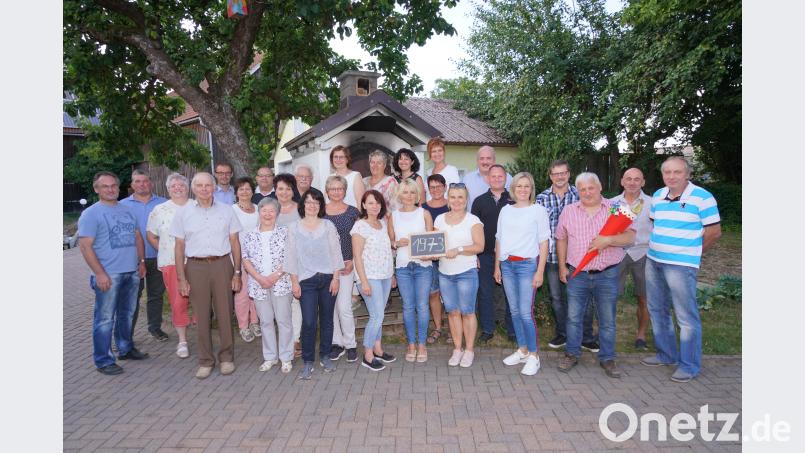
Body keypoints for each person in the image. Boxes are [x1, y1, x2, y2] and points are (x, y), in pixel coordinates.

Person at [641, 156, 721, 383]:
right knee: (658, 309)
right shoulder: (657, 196)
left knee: (685, 316)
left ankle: (689, 365)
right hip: (654, 260)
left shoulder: (703, 198)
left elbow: (714, 232)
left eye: (677, 172)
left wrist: (692, 253)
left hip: (681, 265)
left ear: (687, 174)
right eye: (667, 173)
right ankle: (666, 355)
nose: (672, 176)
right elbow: (656, 225)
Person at [556, 173, 636, 379]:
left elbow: (631, 236)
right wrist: (562, 267)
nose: (587, 192)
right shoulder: (569, 211)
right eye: (582, 189)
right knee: (573, 318)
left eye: (591, 188)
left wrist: (607, 240)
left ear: (600, 187)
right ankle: (572, 354)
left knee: (607, 319)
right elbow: (561, 239)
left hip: (607, 274)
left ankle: (607, 358)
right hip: (577, 273)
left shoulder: (616, 208)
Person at [171, 172, 242, 379]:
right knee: (201, 315)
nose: (204, 189)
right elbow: (179, 247)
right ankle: (205, 360)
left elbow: (235, 243)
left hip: (222, 264)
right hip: (195, 267)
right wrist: (181, 278)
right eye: (200, 185)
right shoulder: (183, 213)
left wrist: (237, 272)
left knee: (225, 313)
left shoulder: (227, 211)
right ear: (193, 188)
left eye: (207, 185)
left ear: (214, 187)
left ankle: (226, 358)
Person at [78, 171, 149, 375]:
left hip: (131, 271)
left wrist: (141, 262)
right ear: (96, 189)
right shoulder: (91, 214)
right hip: (109, 275)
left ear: (118, 188)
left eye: (113, 186)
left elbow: (137, 237)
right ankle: (103, 360)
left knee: (127, 314)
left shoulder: (127, 210)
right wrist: (100, 274)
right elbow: (85, 246)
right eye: (105, 186)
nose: (110, 189)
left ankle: (125, 348)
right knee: (105, 318)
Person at [536, 159, 597, 352]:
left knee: (583, 298)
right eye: (555, 174)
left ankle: (586, 336)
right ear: (550, 176)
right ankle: (562, 333)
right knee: (557, 298)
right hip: (552, 256)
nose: (559, 177)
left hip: (579, 258)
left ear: (569, 174)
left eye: (563, 173)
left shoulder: (581, 195)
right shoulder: (542, 198)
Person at [284, 188, 344, 380]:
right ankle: (308, 360)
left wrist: (336, 278)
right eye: (308, 202)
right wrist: (294, 282)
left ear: (320, 206)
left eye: (316, 203)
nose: (312, 206)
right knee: (309, 321)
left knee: (327, 320)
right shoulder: (293, 227)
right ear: (303, 205)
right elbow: (290, 256)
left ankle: (325, 356)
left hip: (327, 279)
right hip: (306, 280)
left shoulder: (328, 226)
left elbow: (336, 253)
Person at [494, 172, 550, 376]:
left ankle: (534, 356)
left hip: (527, 266)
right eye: (519, 186)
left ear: (531, 189)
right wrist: (497, 266)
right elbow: (499, 239)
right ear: (513, 188)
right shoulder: (506, 211)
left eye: (527, 186)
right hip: (507, 265)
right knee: (515, 311)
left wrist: (540, 271)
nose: (523, 190)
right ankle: (523, 350)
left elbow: (544, 242)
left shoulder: (538, 211)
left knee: (526, 313)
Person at [241, 197, 295, 374]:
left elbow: (290, 256)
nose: (268, 214)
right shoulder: (249, 234)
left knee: (284, 321)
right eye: (264, 210)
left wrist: (275, 276)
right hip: (258, 285)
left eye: (272, 211)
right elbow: (246, 259)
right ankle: (270, 357)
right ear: (259, 212)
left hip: (281, 282)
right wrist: (259, 278)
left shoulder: (285, 232)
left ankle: (286, 357)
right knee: (265, 322)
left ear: (277, 214)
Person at [434, 183, 485, 367]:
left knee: (468, 312)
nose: (456, 201)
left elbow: (480, 246)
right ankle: (457, 349)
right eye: (453, 196)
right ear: (448, 198)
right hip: (445, 273)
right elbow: (435, 244)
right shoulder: (439, 219)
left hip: (466, 272)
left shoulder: (473, 220)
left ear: (466, 200)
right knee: (453, 312)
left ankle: (469, 350)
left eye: (460, 197)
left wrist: (460, 249)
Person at [146, 173, 192, 358]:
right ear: (168, 189)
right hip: (171, 262)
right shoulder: (159, 210)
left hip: (198, 260)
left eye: (181, 185)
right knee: (178, 300)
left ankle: (203, 332)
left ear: (187, 187)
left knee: (201, 299)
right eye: (173, 185)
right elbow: (151, 234)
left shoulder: (197, 207)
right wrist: (164, 249)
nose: (178, 188)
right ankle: (182, 340)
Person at [389, 179, 434, 362]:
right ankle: (411, 344)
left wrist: (428, 254)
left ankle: (422, 343)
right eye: (405, 192)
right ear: (399, 195)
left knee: (422, 306)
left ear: (417, 195)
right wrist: (396, 243)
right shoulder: (393, 216)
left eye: (412, 192)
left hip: (423, 266)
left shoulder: (425, 214)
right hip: (403, 265)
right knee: (408, 306)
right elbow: (390, 241)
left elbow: (433, 241)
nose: (409, 196)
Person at [121, 169, 168, 342]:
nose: (142, 184)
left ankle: (155, 328)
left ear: (151, 183)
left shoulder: (164, 203)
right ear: (132, 185)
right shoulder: (123, 205)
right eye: (138, 181)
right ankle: (127, 334)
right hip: (133, 259)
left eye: (145, 181)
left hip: (158, 257)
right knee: (133, 297)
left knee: (156, 295)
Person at [352, 190, 396, 371]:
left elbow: (387, 251)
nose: (374, 206)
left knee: (379, 315)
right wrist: (364, 281)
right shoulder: (360, 226)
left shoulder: (383, 223)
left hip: (385, 276)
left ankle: (378, 349)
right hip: (369, 277)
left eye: (377, 202)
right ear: (363, 205)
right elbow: (357, 255)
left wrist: (391, 274)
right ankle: (368, 355)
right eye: (370, 203)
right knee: (376, 316)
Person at [471, 164, 515, 343]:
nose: (496, 179)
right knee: (485, 292)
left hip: (509, 255)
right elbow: (472, 230)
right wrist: (474, 255)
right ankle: (488, 328)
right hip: (485, 255)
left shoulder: (514, 200)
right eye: (493, 176)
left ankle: (512, 330)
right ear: (487, 179)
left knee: (510, 293)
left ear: (505, 178)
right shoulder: (479, 201)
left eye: (500, 176)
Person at [610, 168, 653, 350]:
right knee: (609, 296)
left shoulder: (652, 203)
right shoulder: (612, 203)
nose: (632, 182)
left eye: (637, 179)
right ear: (622, 181)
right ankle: (606, 332)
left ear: (643, 182)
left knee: (643, 297)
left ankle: (641, 335)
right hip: (617, 253)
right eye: (628, 179)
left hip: (643, 253)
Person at [323, 175, 362, 363]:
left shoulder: (353, 212)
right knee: (330, 308)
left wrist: (353, 260)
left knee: (344, 307)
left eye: (339, 188)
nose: (336, 192)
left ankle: (351, 344)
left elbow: (359, 239)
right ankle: (336, 343)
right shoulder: (320, 213)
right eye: (332, 189)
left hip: (347, 265)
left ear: (344, 191)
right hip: (326, 268)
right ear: (327, 191)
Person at [274, 173, 303, 357]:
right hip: (275, 265)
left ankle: (296, 339)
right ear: (275, 190)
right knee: (280, 304)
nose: (284, 192)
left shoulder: (301, 209)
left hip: (298, 262)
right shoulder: (269, 209)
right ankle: (285, 338)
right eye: (280, 188)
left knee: (296, 301)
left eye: (288, 188)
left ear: (293, 190)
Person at [232, 177, 261, 343]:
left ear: (253, 191)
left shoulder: (258, 209)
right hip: (239, 257)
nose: (244, 192)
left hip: (257, 259)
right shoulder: (232, 210)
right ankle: (243, 325)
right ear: (236, 192)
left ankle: (255, 322)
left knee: (256, 292)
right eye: (241, 189)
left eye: (248, 188)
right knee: (242, 294)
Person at [423, 174, 450, 345]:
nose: (436, 190)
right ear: (428, 189)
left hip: (449, 257)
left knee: (448, 294)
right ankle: (438, 327)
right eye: (432, 187)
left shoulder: (453, 205)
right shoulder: (423, 208)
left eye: (439, 186)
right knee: (433, 293)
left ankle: (452, 328)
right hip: (431, 258)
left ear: (445, 187)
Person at [424, 136, 460, 201]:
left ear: (444, 152)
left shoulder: (451, 170)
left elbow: (456, 194)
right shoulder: (428, 172)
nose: (437, 154)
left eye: (440, 150)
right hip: (429, 210)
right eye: (434, 151)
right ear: (430, 154)